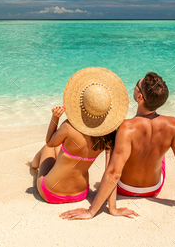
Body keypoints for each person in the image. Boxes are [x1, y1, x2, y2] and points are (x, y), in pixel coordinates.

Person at [60, 72, 175, 220]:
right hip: (154, 188)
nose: (136, 84)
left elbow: (114, 172)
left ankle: (109, 204)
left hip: (125, 187)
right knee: (158, 153)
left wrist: (92, 211)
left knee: (113, 146)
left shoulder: (125, 127)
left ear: (139, 97)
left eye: (138, 84)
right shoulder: (174, 125)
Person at [28, 67, 138, 217]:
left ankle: (33, 166)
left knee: (46, 149)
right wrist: (113, 208)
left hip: (50, 192)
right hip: (80, 193)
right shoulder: (109, 136)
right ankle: (34, 165)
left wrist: (55, 117)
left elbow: (49, 142)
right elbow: (111, 173)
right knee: (58, 151)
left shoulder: (68, 127)